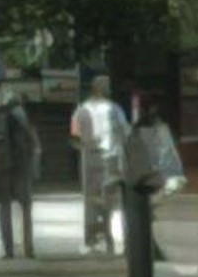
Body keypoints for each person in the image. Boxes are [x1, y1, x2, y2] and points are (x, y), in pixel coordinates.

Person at [68, 76, 128, 254]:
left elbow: (74, 136)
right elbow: (125, 131)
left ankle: (91, 238)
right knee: (110, 200)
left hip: (88, 160)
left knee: (90, 200)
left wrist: (85, 147)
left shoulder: (81, 109)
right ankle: (108, 238)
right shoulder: (115, 109)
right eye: (107, 86)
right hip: (111, 159)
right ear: (101, 89)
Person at [0, 94, 40, 258]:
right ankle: (28, 248)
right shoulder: (24, 121)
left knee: (4, 209)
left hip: (1, 170)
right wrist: (31, 171)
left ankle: (8, 250)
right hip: (21, 170)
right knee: (25, 209)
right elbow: (33, 146)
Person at [129, 93, 185, 262]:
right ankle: (152, 248)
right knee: (150, 213)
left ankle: (149, 248)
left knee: (146, 213)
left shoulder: (140, 128)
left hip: (146, 176)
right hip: (156, 176)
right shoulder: (159, 127)